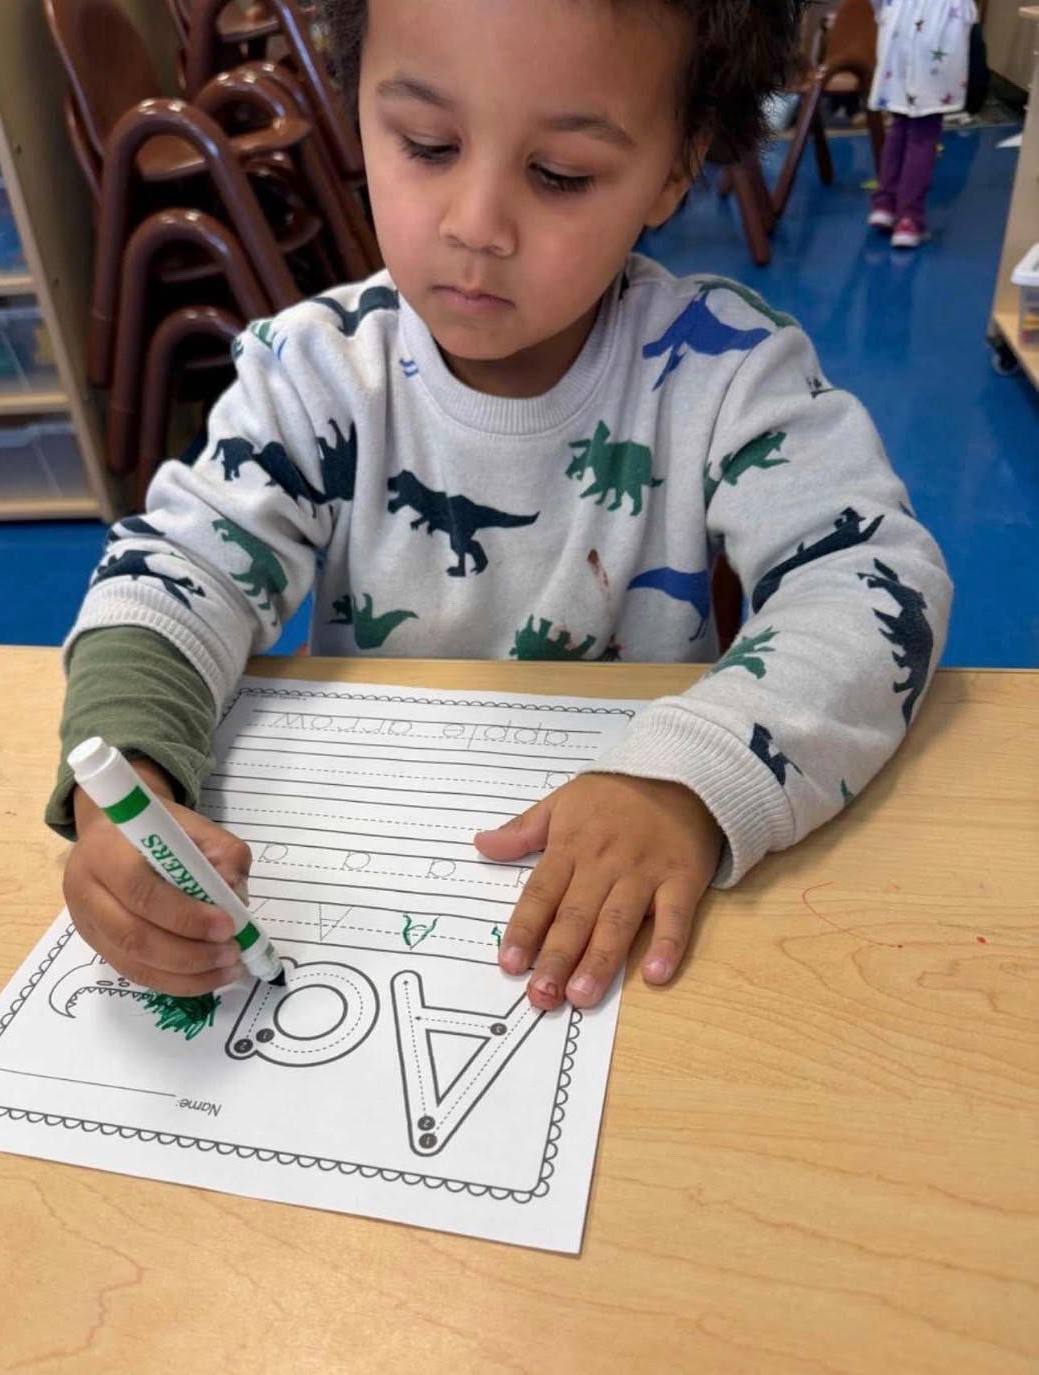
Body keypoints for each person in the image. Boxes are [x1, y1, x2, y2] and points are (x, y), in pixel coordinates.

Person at [48, 0, 952, 1014]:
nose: (475, 224)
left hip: (632, 908)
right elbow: (183, 570)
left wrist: (691, 781)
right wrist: (124, 775)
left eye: (561, 172)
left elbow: (876, 582)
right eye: (426, 144)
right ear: (357, 105)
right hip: (381, 870)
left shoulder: (730, 376)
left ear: (674, 163)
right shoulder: (313, 375)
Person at [868, 0, 977, 248]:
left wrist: (883, 14)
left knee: (899, 124)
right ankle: (909, 218)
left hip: (898, 28)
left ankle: (884, 204)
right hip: (940, 31)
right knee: (924, 133)